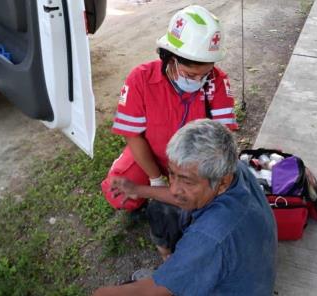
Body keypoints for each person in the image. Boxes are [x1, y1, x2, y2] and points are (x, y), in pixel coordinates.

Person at [93, 119, 277, 296]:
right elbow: (181, 194)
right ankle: (175, 267)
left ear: (222, 183)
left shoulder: (209, 237)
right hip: (252, 274)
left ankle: (175, 269)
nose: (173, 188)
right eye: (172, 174)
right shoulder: (230, 167)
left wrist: (98, 293)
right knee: (160, 207)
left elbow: (154, 291)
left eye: (187, 181)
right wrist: (138, 190)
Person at [101, 5, 238, 212]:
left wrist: (192, 180)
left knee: (206, 201)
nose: (199, 81)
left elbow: (222, 141)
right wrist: (156, 180)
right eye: (191, 75)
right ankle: (157, 191)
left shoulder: (217, 82)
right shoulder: (141, 79)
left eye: (205, 74)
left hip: (194, 164)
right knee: (118, 193)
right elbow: (133, 135)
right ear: (169, 58)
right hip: (152, 155)